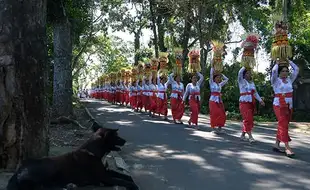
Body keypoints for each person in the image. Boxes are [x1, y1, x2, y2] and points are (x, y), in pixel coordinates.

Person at [271, 59, 299, 157]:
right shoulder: (275, 81)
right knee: (283, 124)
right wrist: (277, 64)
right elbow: (274, 72)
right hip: (279, 104)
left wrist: (289, 61)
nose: (285, 72)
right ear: (279, 72)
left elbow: (296, 69)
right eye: (283, 71)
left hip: (288, 104)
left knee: (284, 124)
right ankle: (287, 147)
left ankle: (276, 144)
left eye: (287, 71)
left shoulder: (290, 80)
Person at [238, 67, 265, 143]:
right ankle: (250, 136)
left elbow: (255, 93)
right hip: (243, 102)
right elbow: (239, 73)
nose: (249, 74)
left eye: (249, 73)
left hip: (251, 103)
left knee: (249, 119)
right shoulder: (241, 81)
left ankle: (243, 135)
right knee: (247, 119)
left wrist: (260, 100)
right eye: (247, 73)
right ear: (244, 74)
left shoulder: (252, 83)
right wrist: (245, 65)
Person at [209, 68, 229, 133]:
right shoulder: (211, 83)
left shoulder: (220, 85)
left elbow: (226, 79)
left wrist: (221, 74)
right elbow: (211, 74)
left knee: (222, 113)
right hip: (213, 100)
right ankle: (213, 128)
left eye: (219, 78)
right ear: (214, 78)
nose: (218, 79)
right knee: (214, 113)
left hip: (219, 100)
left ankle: (220, 128)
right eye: (217, 77)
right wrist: (213, 67)